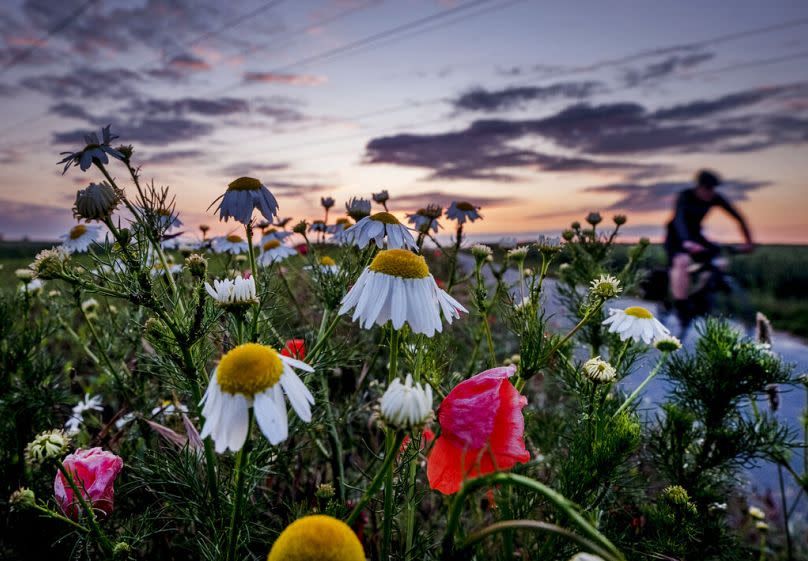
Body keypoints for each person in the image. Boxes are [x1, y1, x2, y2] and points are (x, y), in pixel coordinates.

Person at [665, 169, 754, 319]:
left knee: (717, 263)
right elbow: (679, 219)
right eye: (707, 189)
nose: (710, 193)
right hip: (677, 236)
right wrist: (686, 242)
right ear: (699, 187)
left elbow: (739, 218)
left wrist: (748, 242)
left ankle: (700, 297)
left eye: (713, 189)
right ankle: (681, 305)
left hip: (696, 235)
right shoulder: (685, 196)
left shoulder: (715, 198)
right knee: (682, 261)